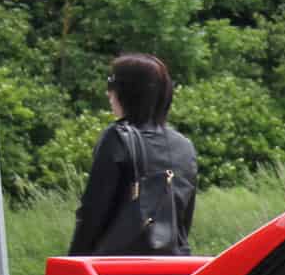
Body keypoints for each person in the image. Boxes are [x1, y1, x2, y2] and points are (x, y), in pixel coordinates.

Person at [70, 53, 198, 256]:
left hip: (120, 266)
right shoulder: (185, 146)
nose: (108, 92)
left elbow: (93, 213)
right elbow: (182, 222)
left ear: (128, 91)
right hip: (174, 266)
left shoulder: (117, 138)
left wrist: (73, 262)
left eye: (111, 83)